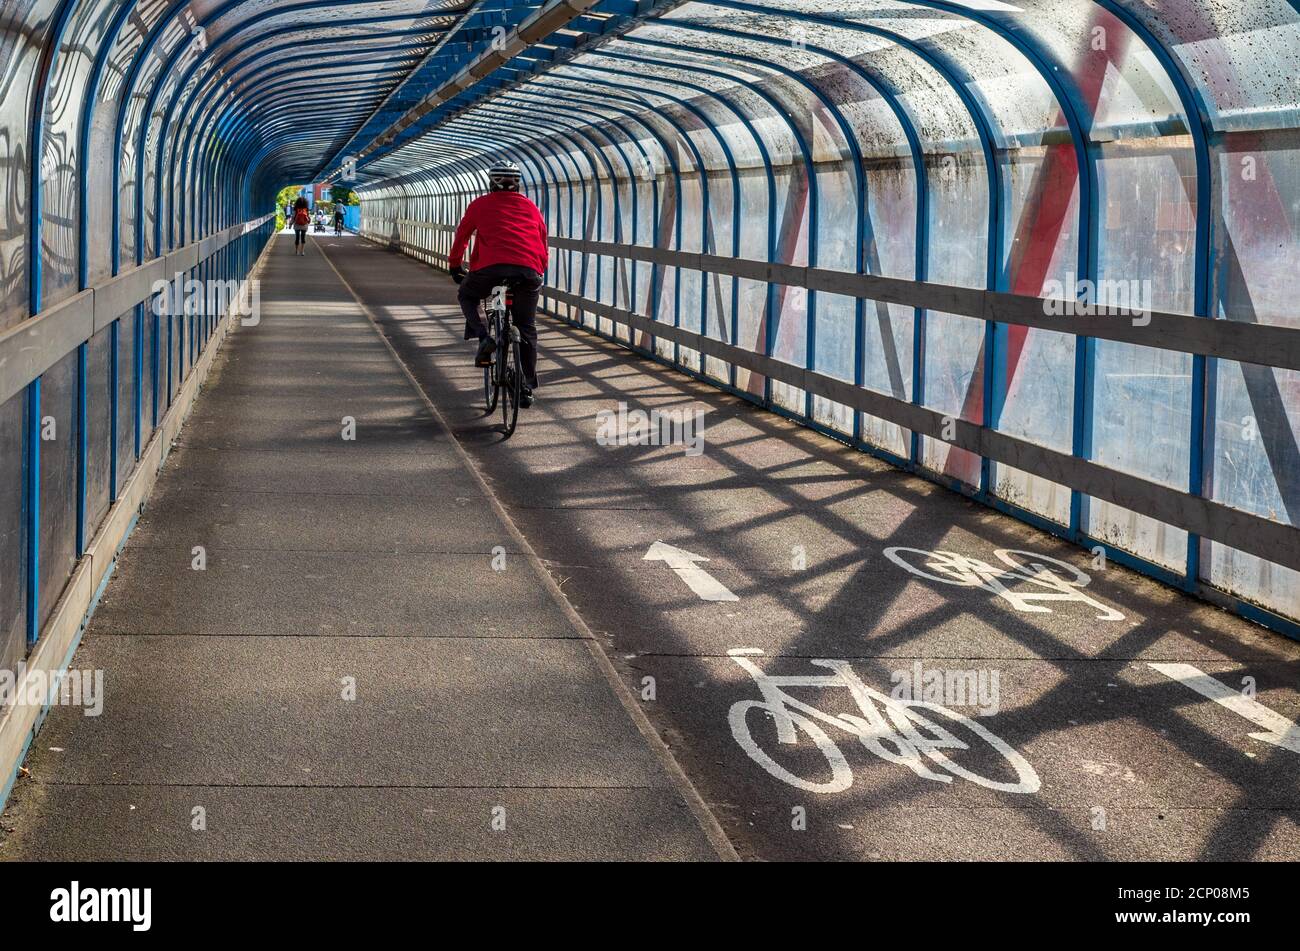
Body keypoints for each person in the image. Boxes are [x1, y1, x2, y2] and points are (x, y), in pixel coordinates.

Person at [449, 160, 547, 407]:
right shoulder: (531, 207)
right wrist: (539, 269)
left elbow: (462, 235)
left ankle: (484, 337)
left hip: (490, 270)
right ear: (517, 183)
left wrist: (455, 265)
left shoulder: (480, 205)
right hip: (528, 272)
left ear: (491, 182)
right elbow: (542, 240)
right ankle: (525, 386)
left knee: (467, 295)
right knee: (526, 327)